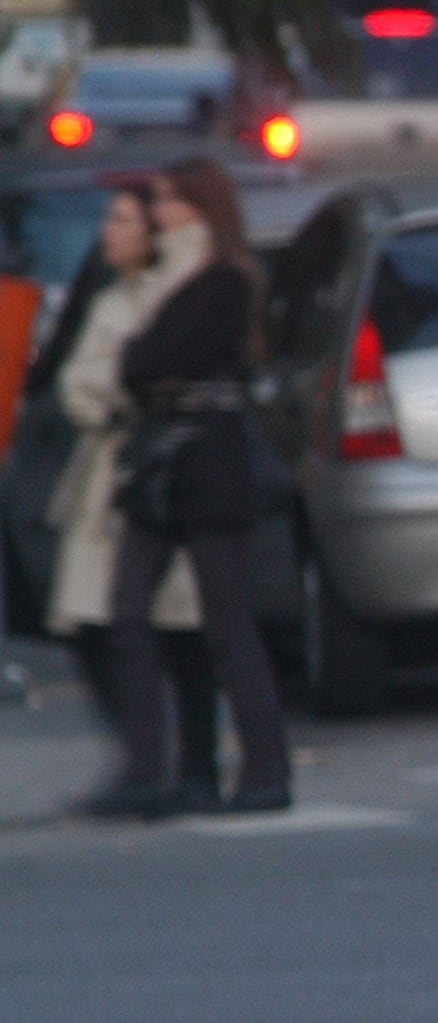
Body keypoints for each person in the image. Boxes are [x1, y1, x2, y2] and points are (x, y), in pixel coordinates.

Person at [102, 156, 290, 817]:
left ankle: (266, 769)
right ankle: (150, 766)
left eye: (165, 200)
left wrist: (142, 360)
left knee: (227, 621)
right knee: (129, 609)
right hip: (164, 460)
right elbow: (137, 362)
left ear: (197, 207)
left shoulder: (223, 280)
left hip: (207, 457)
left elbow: (151, 357)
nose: (155, 213)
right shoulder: (177, 276)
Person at [46, 182, 223, 816]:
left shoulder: (172, 290)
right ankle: (144, 760)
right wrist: (113, 383)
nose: (108, 233)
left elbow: (130, 375)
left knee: (177, 630)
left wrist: (117, 381)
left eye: (123, 220)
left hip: (159, 472)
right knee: (94, 624)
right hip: (108, 477)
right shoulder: (110, 300)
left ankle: (178, 767)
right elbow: (79, 385)